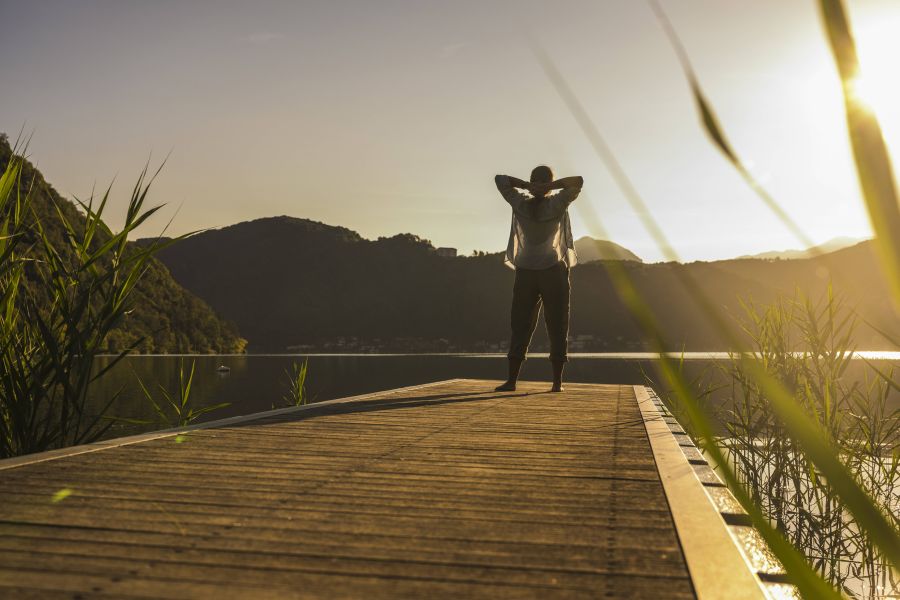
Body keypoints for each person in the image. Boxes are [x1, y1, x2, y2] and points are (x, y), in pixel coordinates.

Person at [494, 165, 583, 393]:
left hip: (534, 270)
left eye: (542, 180)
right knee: (552, 323)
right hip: (545, 270)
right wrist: (547, 186)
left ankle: (518, 381)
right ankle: (554, 383)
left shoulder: (523, 202)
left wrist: (530, 186)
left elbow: (501, 179)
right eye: (539, 180)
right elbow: (577, 182)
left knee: (527, 324)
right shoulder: (553, 202)